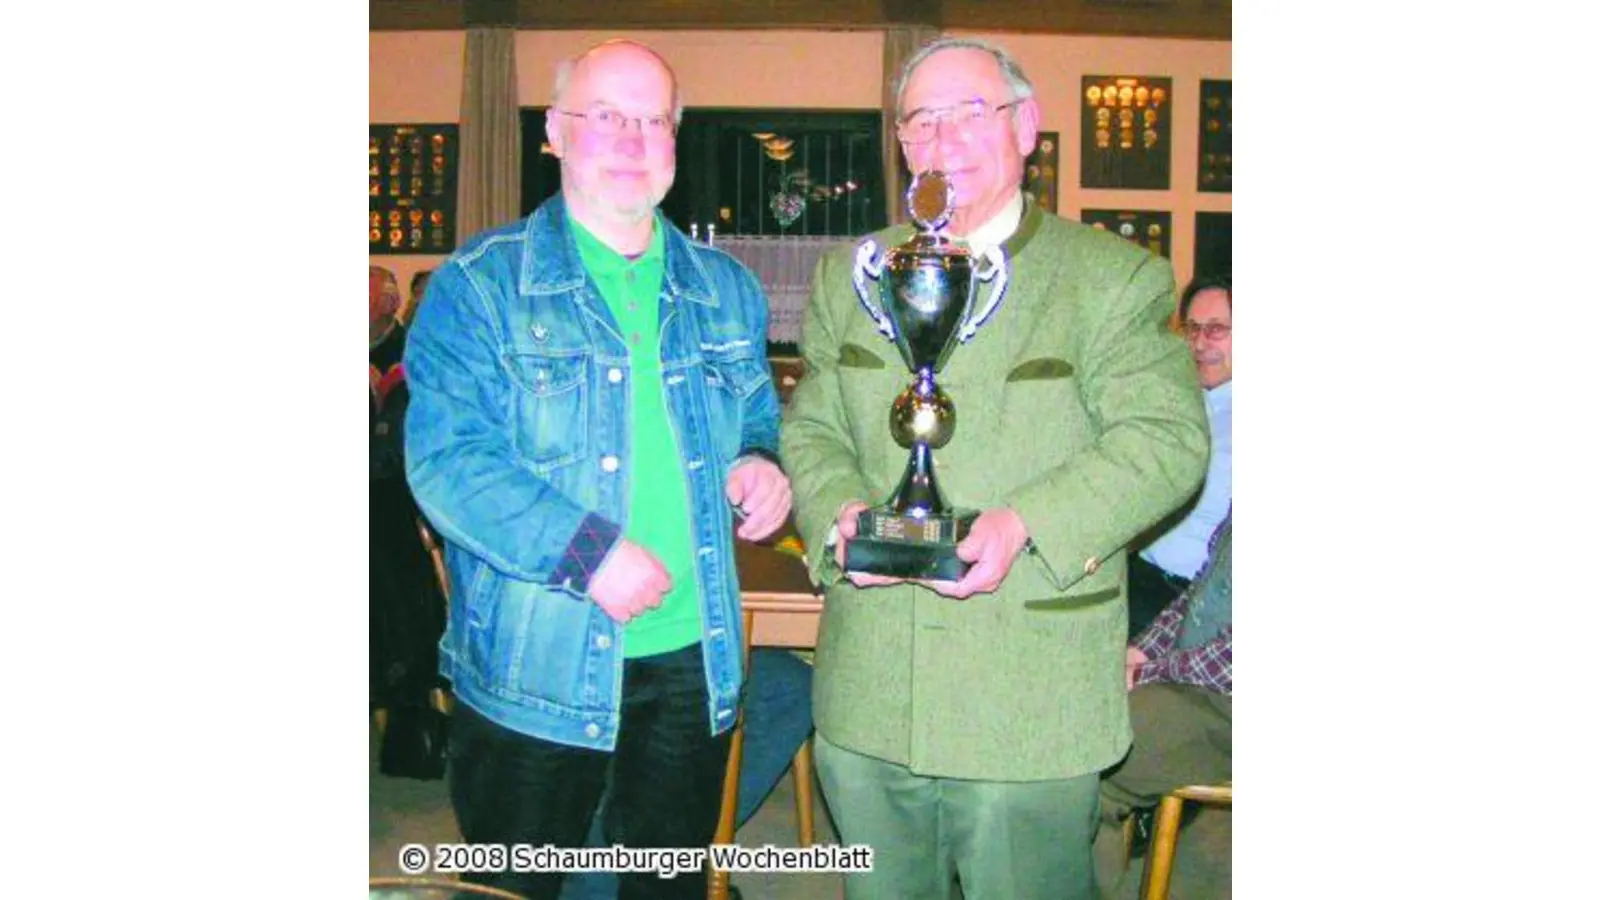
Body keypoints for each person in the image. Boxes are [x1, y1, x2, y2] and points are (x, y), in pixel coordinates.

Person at [780, 36, 1210, 900]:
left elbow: (1168, 439)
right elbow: (812, 427)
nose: (943, 138)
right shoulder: (854, 276)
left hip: (1028, 695)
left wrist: (1024, 523)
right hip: (870, 694)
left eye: (970, 112)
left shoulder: (1111, 279)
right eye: (921, 119)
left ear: (1026, 128)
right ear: (902, 143)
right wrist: (836, 508)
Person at [403, 39, 791, 900]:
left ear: (675, 141)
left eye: (652, 120)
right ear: (554, 132)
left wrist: (763, 462)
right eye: (604, 116)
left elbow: (758, 414)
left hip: (693, 659)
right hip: (532, 666)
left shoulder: (726, 289)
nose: (630, 138)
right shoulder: (479, 285)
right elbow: (447, 463)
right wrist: (586, 553)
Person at [1095, 512, 1232, 895]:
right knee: (1078, 714)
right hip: (1199, 682)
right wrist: (1139, 653)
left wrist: (1149, 674)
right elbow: (1200, 592)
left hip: (1226, 700)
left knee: (1094, 755)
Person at [1127, 273, 1232, 637]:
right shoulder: (1179, 399)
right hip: (1136, 574)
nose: (1200, 343)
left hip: (1186, 603)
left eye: (1217, 329)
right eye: (1192, 328)